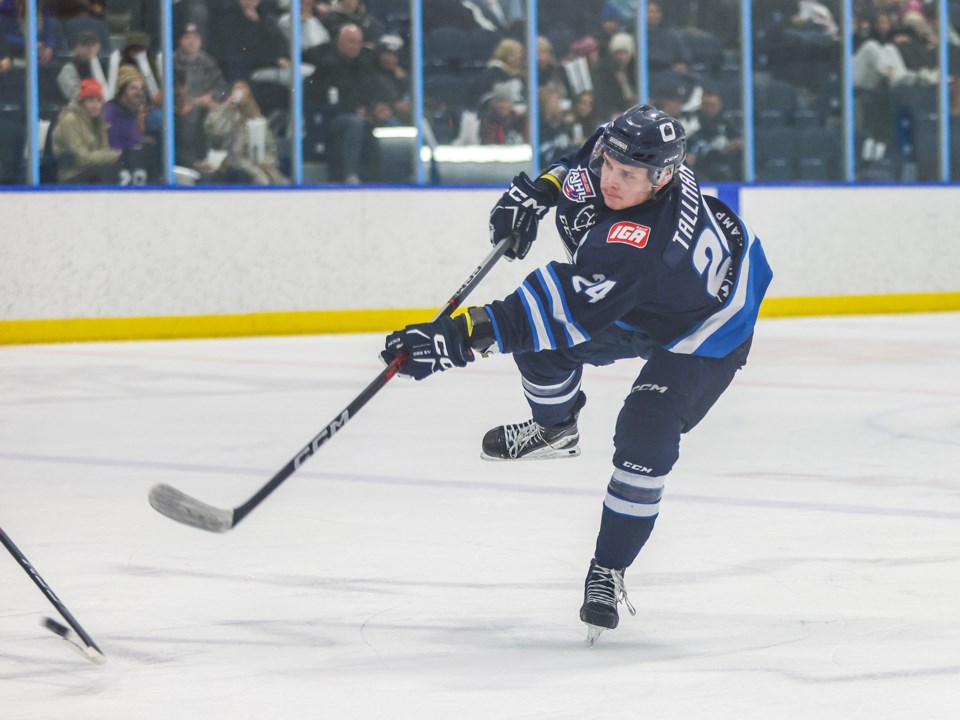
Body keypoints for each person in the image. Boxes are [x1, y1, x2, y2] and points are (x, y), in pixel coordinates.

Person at [381, 104, 773, 644]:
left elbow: (546, 311)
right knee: (542, 354)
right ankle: (555, 429)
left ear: (661, 178)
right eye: (610, 165)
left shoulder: (639, 246)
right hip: (645, 300)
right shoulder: (632, 151)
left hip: (709, 324)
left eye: (628, 176)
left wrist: (452, 338)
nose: (610, 179)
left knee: (645, 432)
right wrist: (539, 190)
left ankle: (608, 568)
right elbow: (585, 156)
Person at [204, 79, 290, 184]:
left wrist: (266, 161)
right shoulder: (227, 116)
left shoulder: (257, 119)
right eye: (237, 89)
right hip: (232, 163)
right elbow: (213, 128)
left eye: (243, 89)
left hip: (256, 163)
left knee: (281, 182)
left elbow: (270, 147)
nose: (240, 92)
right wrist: (227, 104)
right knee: (261, 180)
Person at [51, 78, 121, 183]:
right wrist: (113, 155)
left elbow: (104, 150)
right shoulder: (70, 121)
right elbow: (81, 158)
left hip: (94, 172)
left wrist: (109, 156)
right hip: (71, 176)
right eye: (90, 101)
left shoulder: (99, 121)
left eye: (98, 101)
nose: (95, 106)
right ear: (81, 103)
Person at [57, 30, 103, 103]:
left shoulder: (104, 66)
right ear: (76, 48)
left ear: (99, 47)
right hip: (77, 110)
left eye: (93, 44)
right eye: (85, 45)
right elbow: (76, 96)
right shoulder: (69, 68)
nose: (90, 48)